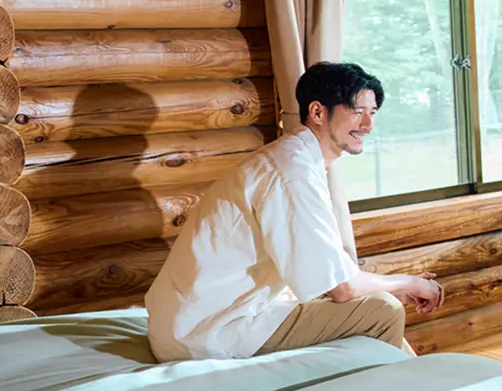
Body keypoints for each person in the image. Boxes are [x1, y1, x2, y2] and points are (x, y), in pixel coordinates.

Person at [144, 62, 444, 362]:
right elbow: (343, 289)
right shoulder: (292, 173)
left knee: (377, 306)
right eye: (357, 111)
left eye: (373, 112)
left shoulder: (295, 160)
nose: (368, 125)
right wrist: (410, 283)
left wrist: (397, 286)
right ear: (317, 112)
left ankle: (414, 379)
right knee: (383, 310)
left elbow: (328, 274)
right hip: (209, 331)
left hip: (197, 319)